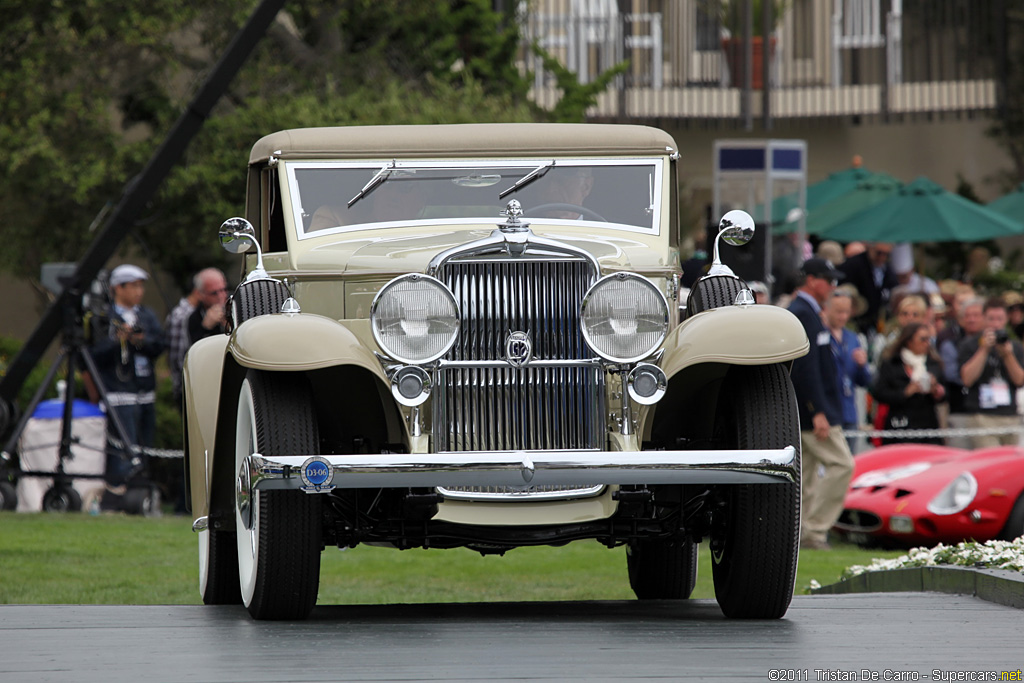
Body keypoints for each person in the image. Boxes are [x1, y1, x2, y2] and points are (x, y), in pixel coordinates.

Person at [787, 257, 855, 551]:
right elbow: (804, 368)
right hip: (812, 410)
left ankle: (801, 532)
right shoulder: (802, 312)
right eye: (829, 280)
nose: (832, 286)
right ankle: (814, 531)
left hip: (812, 408)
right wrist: (817, 411)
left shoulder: (808, 311)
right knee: (842, 464)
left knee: (808, 475)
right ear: (812, 280)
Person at [89, 264, 165, 486]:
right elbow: (94, 353)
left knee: (145, 446)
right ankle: (119, 492)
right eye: (133, 286)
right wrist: (118, 340)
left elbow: (160, 344)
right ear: (117, 288)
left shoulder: (146, 315)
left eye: (141, 286)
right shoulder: (105, 316)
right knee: (122, 448)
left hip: (145, 391)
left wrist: (139, 341)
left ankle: (140, 491)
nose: (139, 291)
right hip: (119, 392)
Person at [958, 297, 1024, 448]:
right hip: (982, 416)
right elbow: (967, 379)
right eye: (991, 319)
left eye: (999, 319)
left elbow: (1020, 380)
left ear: (1006, 319)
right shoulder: (970, 344)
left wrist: (1008, 355)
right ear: (983, 319)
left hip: (1010, 415)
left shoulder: (1016, 347)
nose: (995, 324)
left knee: (1010, 465)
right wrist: (984, 349)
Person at [870, 322, 946, 445]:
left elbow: (946, 393)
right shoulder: (892, 364)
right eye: (923, 339)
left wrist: (937, 391)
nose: (927, 343)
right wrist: (906, 392)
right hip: (899, 425)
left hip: (927, 425)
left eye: (929, 339)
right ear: (909, 341)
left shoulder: (933, 363)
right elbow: (879, 393)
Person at [824, 288, 872, 453]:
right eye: (838, 312)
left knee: (850, 461)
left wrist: (862, 364)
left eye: (846, 312)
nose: (843, 317)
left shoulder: (852, 338)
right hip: (828, 413)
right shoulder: (820, 336)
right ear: (827, 309)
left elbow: (864, 380)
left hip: (849, 412)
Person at [939, 296, 984, 448]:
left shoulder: (1000, 344)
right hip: (961, 409)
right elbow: (953, 375)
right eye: (967, 316)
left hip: (992, 413)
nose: (971, 319)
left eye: (976, 315)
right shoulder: (951, 344)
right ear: (960, 319)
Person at [839, 241, 899, 336]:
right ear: (870, 249)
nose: (882, 257)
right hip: (855, 320)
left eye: (886, 254)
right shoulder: (853, 264)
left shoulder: (888, 269)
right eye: (879, 253)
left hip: (877, 323)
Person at [164, 274, 201, 410]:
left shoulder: (195, 312)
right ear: (198, 292)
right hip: (185, 386)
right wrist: (182, 385)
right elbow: (177, 356)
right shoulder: (182, 315)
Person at [187, 267, 229, 344]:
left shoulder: (235, 303)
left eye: (224, 289)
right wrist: (206, 327)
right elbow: (196, 349)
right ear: (200, 295)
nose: (221, 296)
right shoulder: (195, 318)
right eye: (214, 293)